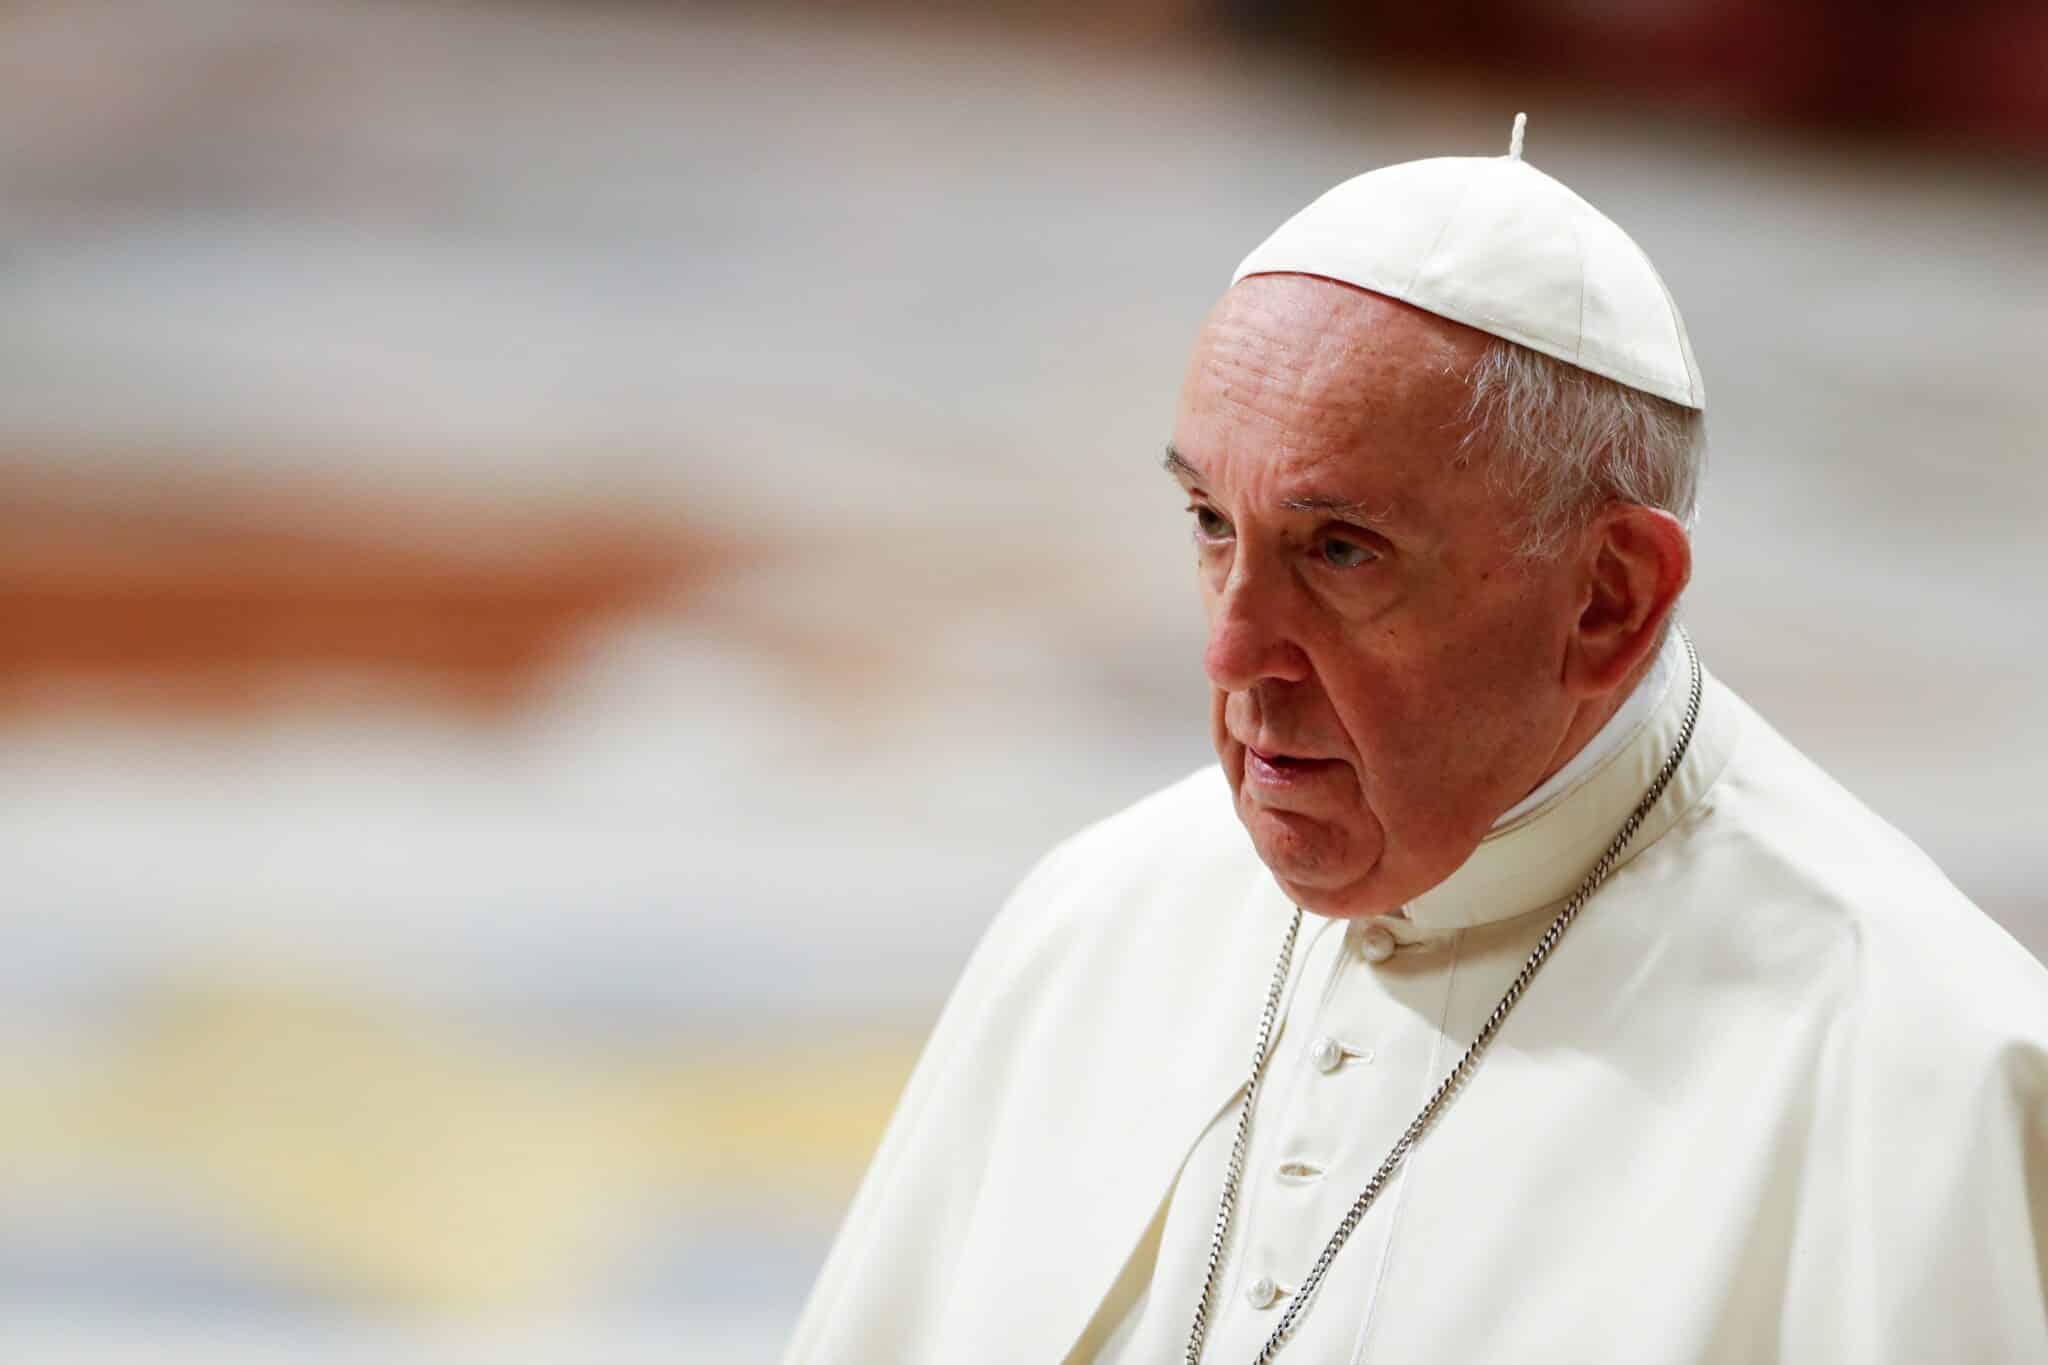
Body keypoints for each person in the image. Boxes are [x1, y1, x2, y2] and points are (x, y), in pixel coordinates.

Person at [782, 121, 2048, 1363]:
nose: (1231, 654)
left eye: (1339, 551)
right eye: (1210, 523)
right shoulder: (1100, 915)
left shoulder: (1921, 1069)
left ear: (1607, 597)